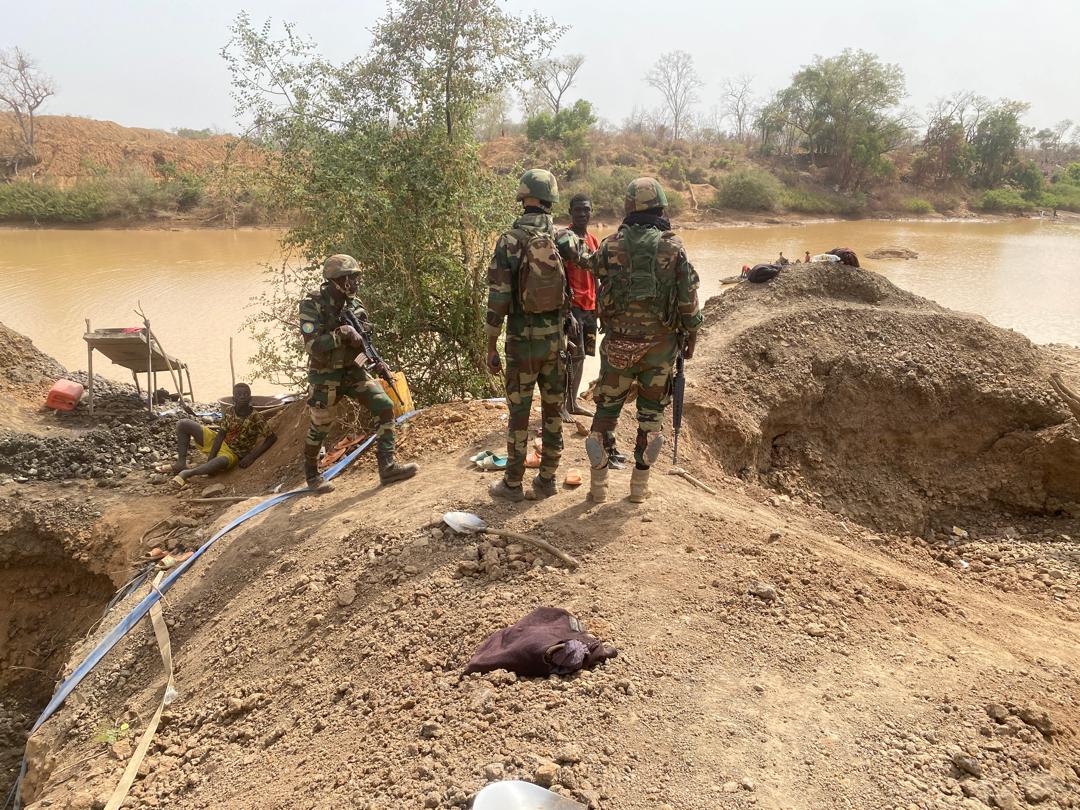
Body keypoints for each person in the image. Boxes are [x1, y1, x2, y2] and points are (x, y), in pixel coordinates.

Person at [585, 177, 703, 504]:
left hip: (618, 346)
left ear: (628, 208)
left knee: (607, 405)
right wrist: (691, 334)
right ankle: (638, 488)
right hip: (660, 348)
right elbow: (687, 300)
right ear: (661, 207)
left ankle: (598, 483)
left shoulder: (610, 245)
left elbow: (592, 271)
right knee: (651, 412)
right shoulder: (673, 247)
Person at [486, 169, 585, 501]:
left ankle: (512, 484)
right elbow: (592, 261)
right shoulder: (562, 237)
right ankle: (547, 481)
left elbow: (498, 299)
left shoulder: (509, 240)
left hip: (520, 344)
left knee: (519, 415)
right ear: (551, 199)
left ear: (523, 198)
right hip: (556, 343)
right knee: (553, 412)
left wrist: (490, 346)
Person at [299, 254, 418, 492]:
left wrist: (375, 363)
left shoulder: (355, 305)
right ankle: (312, 476)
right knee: (320, 426)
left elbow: (362, 344)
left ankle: (388, 467)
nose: (355, 282)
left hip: (352, 371)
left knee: (384, 406)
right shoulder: (312, 304)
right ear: (335, 280)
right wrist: (340, 334)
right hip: (325, 375)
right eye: (350, 278)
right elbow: (311, 345)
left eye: (356, 277)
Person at [163, 383, 276, 488]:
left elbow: (271, 438)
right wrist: (211, 457)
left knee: (221, 461)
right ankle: (181, 463)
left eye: (246, 394)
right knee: (183, 424)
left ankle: (187, 473)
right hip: (220, 441)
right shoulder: (229, 411)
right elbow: (221, 434)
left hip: (233, 452)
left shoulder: (256, 417)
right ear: (233, 399)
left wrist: (251, 456)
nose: (242, 397)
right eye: (239, 394)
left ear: (250, 399)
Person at [562, 193, 600, 421]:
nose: (582, 214)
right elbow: (561, 277)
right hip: (573, 308)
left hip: (589, 308)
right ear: (571, 212)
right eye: (578, 210)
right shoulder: (565, 240)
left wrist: (599, 306)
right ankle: (563, 406)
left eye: (586, 210)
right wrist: (567, 312)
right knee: (570, 357)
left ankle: (573, 402)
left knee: (582, 357)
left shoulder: (593, 240)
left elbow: (596, 274)